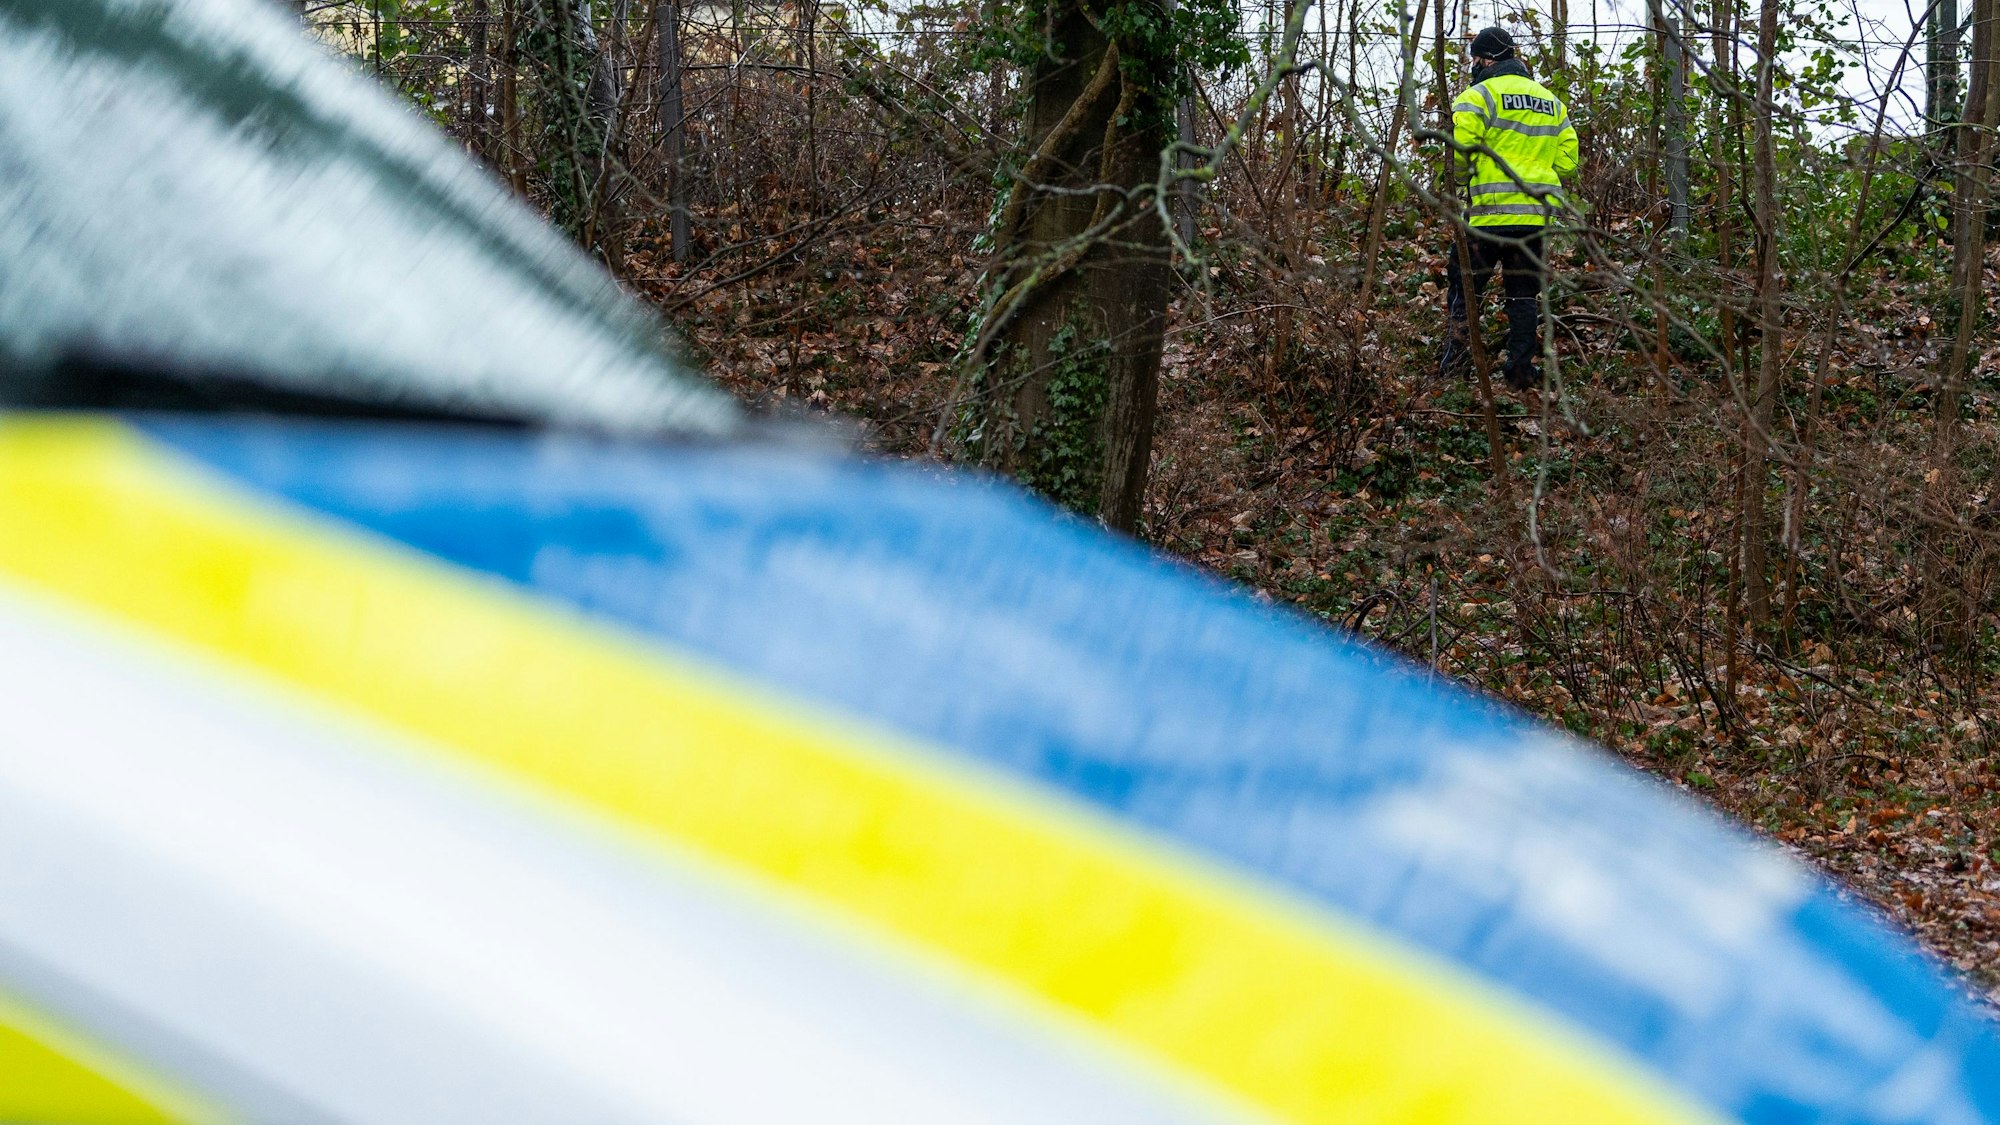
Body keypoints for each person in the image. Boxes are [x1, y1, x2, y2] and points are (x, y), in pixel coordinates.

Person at [1439, 26, 1579, 391]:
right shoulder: (1551, 102)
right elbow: (1567, 162)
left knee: (1465, 287)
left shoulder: (1477, 95)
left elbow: (1459, 152)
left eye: (1475, 59)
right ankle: (1520, 373)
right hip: (1534, 219)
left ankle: (1455, 367)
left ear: (1486, 59)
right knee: (1522, 295)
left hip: (1488, 215)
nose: (1474, 66)